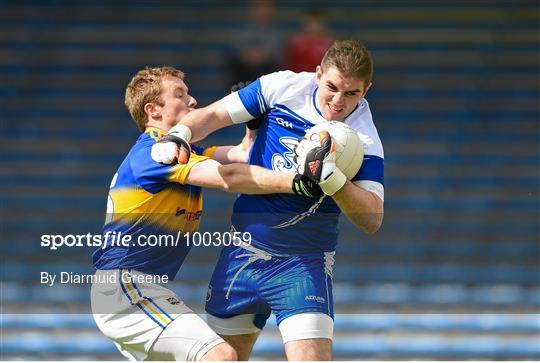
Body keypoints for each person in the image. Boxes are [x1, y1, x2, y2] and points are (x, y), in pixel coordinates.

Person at [151, 40, 385, 360]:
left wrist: (333, 179)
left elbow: (372, 219)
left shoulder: (364, 137)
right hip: (241, 256)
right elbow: (214, 114)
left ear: (366, 89)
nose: (337, 101)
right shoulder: (282, 86)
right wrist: (180, 134)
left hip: (302, 264)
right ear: (317, 74)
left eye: (351, 93)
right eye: (331, 87)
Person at [90, 66, 321, 361]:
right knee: (221, 356)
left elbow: (242, 155)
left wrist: (252, 124)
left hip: (139, 288)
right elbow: (230, 177)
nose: (193, 101)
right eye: (179, 94)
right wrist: (298, 184)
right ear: (153, 110)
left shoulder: (183, 149)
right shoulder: (156, 152)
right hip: (124, 290)